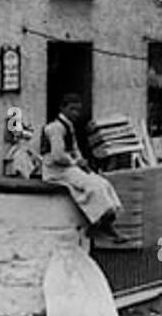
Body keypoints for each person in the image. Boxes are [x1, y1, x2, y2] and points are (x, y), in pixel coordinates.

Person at [41, 94, 125, 241]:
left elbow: (74, 148)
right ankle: (96, 224)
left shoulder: (69, 126)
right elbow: (58, 155)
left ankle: (107, 221)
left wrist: (81, 162)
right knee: (92, 186)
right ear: (63, 108)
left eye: (77, 110)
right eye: (72, 109)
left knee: (103, 183)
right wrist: (75, 162)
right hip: (56, 170)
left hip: (68, 167)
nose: (75, 113)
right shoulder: (55, 128)